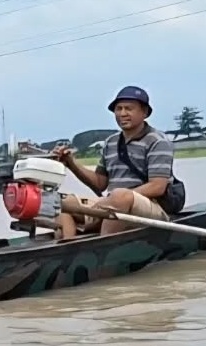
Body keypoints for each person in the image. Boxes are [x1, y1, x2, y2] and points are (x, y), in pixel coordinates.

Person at [51, 85, 183, 239]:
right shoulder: (110, 142)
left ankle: (103, 247)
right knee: (63, 203)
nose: (123, 113)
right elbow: (100, 184)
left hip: (152, 207)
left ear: (144, 112)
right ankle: (68, 246)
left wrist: (115, 199)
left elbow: (157, 186)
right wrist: (71, 163)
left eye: (129, 109)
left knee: (120, 196)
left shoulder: (158, 141)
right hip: (113, 204)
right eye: (118, 109)